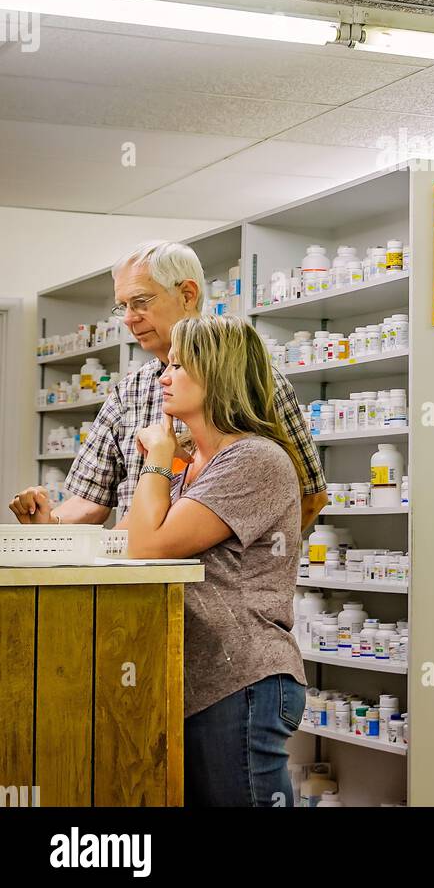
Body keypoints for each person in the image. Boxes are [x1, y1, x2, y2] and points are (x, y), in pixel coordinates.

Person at [10, 240, 328, 532]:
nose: (129, 319)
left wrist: (244, 558)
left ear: (187, 294)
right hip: (144, 577)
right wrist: (49, 525)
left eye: (140, 302)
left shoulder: (258, 383)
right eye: (123, 307)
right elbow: (91, 499)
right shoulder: (129, 392)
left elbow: (309, 495)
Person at [127, 314, 306, 806]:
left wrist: (158, 459)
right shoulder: (197, 465)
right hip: (200, 680)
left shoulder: (254, 459)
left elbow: (147, 548)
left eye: (179, 366)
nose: (163, 377)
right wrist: (45, 533)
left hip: (241, 681)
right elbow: (125, 544)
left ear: (218, 374)